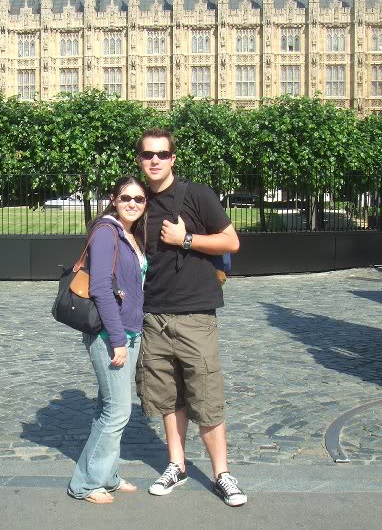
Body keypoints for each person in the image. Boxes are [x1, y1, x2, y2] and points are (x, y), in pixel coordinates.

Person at [134, 128, 246, 507]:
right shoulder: (139, 201)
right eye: (148, 154)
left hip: (196, 314)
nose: (155, 160)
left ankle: (222, 473)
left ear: (173, 159)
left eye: (162, 154)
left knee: (207, 396)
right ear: (139, 159)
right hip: (154, 315)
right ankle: (176, 465)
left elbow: (231, 241)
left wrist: (185, 239)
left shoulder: (197, 195)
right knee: (169, 396)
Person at [68, 176, 149, 504]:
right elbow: (100, 287)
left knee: (109, 407)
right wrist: (117, 339)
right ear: (114, 199)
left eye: (139, 199)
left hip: (129, 332)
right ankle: (85, 484)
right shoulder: (106, 232)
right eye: (126, 197)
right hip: (110, 335)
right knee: (117, 412)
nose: (132, 204)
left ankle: (108, 475)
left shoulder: (130, 234)